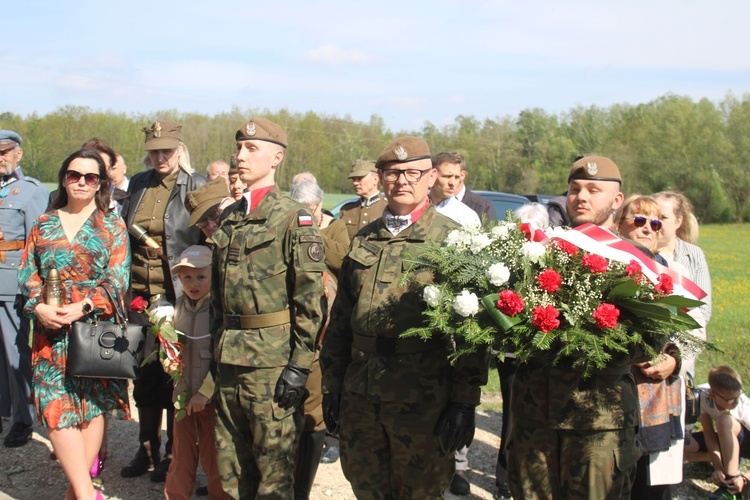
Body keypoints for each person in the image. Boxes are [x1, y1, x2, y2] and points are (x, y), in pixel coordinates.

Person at [320, 136, 488, 498]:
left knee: (421, 491)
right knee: (367, 487)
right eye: (393, 173)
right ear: (380, 178)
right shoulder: (364, 239)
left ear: (430, 178)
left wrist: (464, 402)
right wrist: (332, 386)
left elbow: (471, 332)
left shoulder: (452, 239)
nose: (403, 181)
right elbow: (340, 324)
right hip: (362, 393)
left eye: (413, 172)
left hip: (423, 397)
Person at [508, 155, 647, 499]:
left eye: (593, 190)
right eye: (575, 189)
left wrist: (587, 335)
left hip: (599, 422)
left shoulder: (637, 260)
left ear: (616, 201)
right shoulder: (540, 252)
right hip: (533, 416)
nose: (581, 197)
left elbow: (649, 342)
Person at [210, 117, 327, 498]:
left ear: (276, 157)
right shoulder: (230, 217)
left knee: (273, 472)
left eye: (251, 149)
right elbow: (217, 295)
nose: (240, 156)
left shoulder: (294, 217)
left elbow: (310, 301)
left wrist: (299, 364)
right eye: (239, 148)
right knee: (230, 468)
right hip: (229, 358)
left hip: (271, 362)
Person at [18, 148, 131, 500]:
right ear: (64, 177)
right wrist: (38, 306)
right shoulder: (43, 224)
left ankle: (77, 494)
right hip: (50, 334)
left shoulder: (111, 224)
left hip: (93, 331)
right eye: (73, 175)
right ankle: (85, 492)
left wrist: (84, 305)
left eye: (90, 177)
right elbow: (28, 274)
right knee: (55, 411)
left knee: (91, 408)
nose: (81, 182)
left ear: (100, 183)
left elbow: (118, 278)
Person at [120, 120, 207, 482]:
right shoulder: (139, 183)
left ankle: (175, 453)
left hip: (179, 297)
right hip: (140, 296)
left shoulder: (196, 184)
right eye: (154, 151)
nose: (160, 158)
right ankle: (147, 449)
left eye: (166, 151)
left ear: (180, 150)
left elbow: (207, 238)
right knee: (144, 377)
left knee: (176, 377)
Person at [615, 195, 683, 499]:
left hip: (655, 397)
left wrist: (673, 360)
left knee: (652, 488)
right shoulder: (606, 263)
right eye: (638, 220)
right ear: (619, 224)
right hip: (618, 393)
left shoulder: (667, 270)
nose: (647, 228)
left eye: (654, 223)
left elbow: (681, 331)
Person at [289, 178, 347, 499]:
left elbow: (343, 258)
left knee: (314, 398)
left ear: (320, 203)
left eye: (311, 208)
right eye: (302, 208)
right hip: (297, 313)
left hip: (327, 318)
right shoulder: (290, 223)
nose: (307, 213)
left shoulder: (335, 226)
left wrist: (313, 239)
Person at [163, 246, 229, 500]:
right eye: (186, 277)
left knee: (216, 458)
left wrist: (205, 393)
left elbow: (223, 357)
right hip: (183, 395)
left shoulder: (219, 309)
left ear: (214, 275)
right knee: (181, 454)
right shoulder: (179, 306)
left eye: (201, 277)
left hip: (210, 398)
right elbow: (173, 353)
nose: (193, 284)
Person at [0, 130, 48, 448]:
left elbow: (39, 243)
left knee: (15, 352)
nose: (0, 158)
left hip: (10, 282)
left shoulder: (30, 191)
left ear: (18, 153)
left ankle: (21, 418)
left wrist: (37, 287)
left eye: (5, 151)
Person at [653, 191, 711, 376]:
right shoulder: (636, 251)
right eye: (652, 215)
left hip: (678, 358)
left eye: (663, 217)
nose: (655, 222)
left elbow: (702, 310)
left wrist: (674, 355)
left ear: (678, 221)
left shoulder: (693, 256)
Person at [684, 366, 750, 499]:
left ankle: (731, 488)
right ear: (713, 395)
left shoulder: (744, 407)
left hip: (745, 443)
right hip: (726, 439)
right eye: (731, 400)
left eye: (739, 395)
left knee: (724, 421)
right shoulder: (702, 396)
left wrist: (744, 478)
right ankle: (726, 471)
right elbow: (708, 434)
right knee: (683, 447)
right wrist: (718, 468)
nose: (736, 402)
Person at [432, 152, 496, 222]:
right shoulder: (419, 206)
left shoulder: (469, 215)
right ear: (432, 175)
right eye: (447, 176)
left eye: (456, 177)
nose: (452, 183)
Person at [338, 159, 386, 240]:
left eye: (360, 178)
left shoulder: (387, 209)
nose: (355, 183)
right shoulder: (346, 210)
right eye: (353, 179)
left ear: (375, 179)